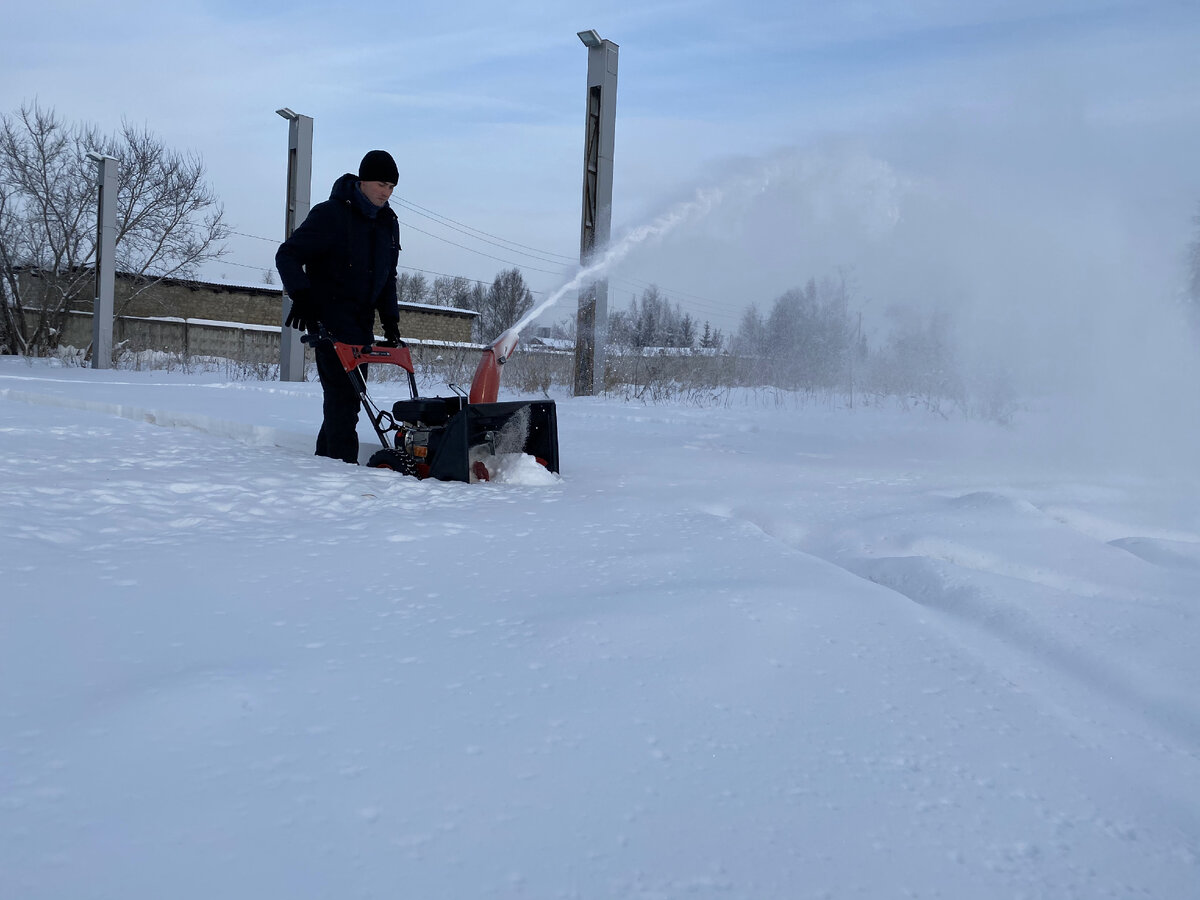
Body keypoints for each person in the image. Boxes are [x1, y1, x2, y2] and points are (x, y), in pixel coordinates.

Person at [275, 150, 403, 464]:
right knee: (345, 401)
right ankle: (343, 471)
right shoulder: (331, 214)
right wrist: (302, 297)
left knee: (347, 400)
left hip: (362, 324)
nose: (386, 193)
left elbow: (388, 278)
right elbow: (287, 255)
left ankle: (323, 463)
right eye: (381, 184)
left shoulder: (387, 223)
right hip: (329, 320)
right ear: (363, 181)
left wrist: (391, 323)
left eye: (391, 187)